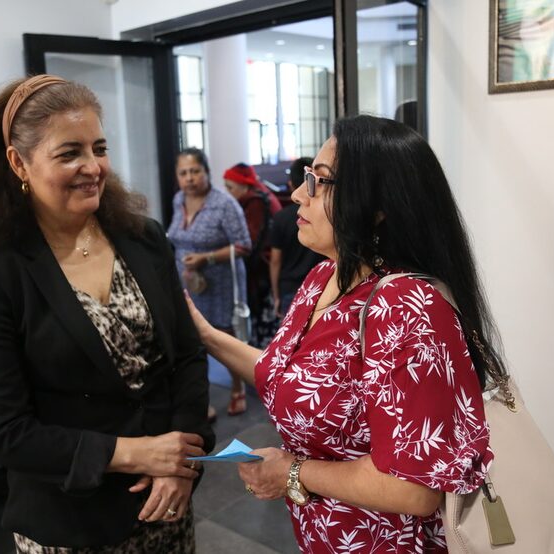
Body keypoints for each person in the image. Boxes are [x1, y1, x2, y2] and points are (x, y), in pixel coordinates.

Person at [186, 115, 498, 553]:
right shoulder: (322, 278)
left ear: (377, 207)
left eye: (319, 181)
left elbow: (413, 488)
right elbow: (285, 374)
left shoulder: (405, 308)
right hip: (325, 535)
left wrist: (291, 471)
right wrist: (204, 334)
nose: (297, 192)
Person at [0, 75, 214, 553]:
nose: (93, 167)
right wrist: (137, 453)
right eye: (69, 152)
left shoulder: (143, 237)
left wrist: (181, 460)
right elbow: (7, 433)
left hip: (166, 502)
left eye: (99, 147)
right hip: (71, 520)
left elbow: (188, 357)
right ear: (19, 163)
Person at [167, 148, 252, 417]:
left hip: (221, 282)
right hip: (190, 281)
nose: (189, 178)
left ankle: (237, 387)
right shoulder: (179, 199)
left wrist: (206, 258)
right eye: (183, 173)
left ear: (206, 172)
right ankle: (200, 397)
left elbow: (244, 246)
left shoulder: (224, 204)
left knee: (224, 337)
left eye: (195, 171)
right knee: (193, 339)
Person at [222, 163, 282, 348]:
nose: (228, 193)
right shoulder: (261, 195)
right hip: (266, 270)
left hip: (263, 272)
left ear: (244, 185)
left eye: (230, 188)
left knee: (263, 331)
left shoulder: (255, 202)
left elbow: (249, 242)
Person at [269, 157, 325, 319]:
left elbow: (275, 260)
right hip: (310, 287)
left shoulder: (281, 218)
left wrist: (276, 293)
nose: (297, 196)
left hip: (294, 288)